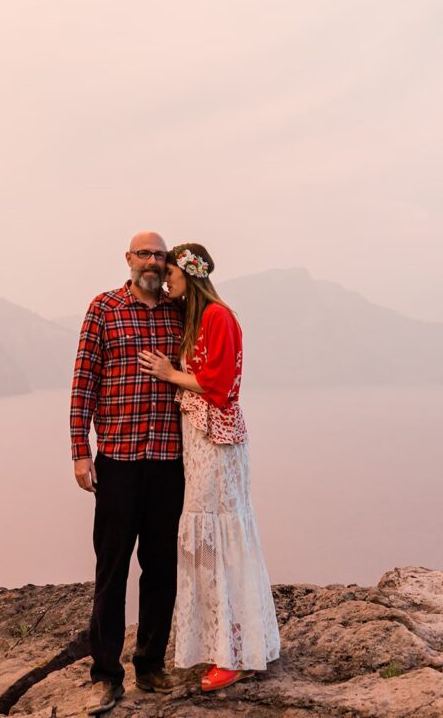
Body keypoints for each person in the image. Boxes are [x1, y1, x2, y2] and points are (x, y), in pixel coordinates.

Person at [139, 242, 280, 692]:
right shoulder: (197, 317)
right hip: (201, 442)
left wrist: (167, 373)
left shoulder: (218, 316)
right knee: (212, 539)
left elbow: (217, 384)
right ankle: (233, 645)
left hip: (214, 442)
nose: (166, 280)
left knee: (219, 538)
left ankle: (233, 652)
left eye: (173, 273)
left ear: (190, 274)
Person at [70, 231, 186, 715]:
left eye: (160, 255)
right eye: (146, 254)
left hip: (167, 461)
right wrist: (81, 450)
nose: (153, 262)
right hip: (116, 461)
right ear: (129, 258)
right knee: (112, 570)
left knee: (161, 568)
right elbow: (84, 382)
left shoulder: (180, 314)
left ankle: (151, 663)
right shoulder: (104, 308)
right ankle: (106, 675)